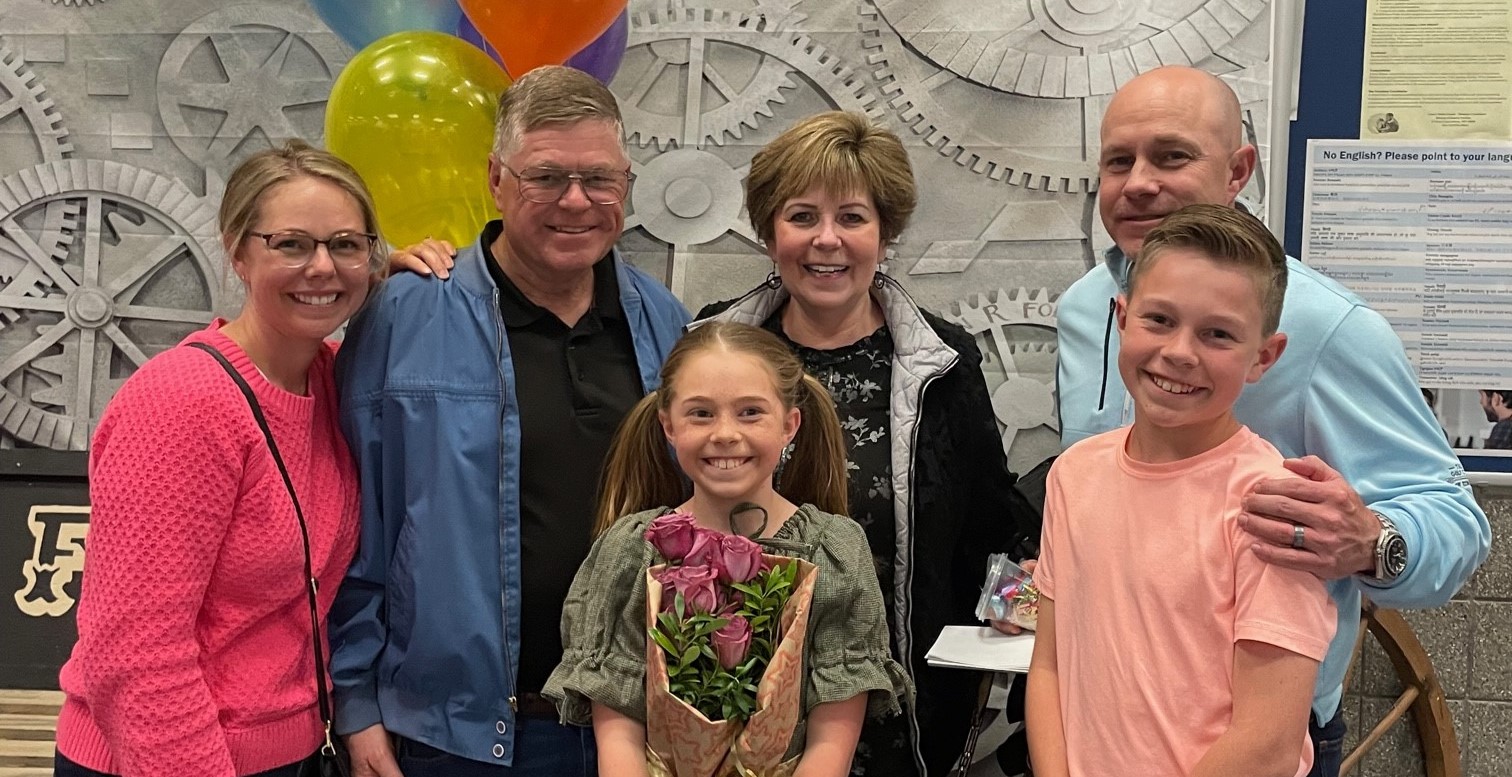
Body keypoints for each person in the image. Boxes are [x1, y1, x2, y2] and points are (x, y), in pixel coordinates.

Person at [1056, 65, 1490, 776]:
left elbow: (1458, 522)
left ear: (1238, 171)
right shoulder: (1083, 309)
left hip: (1252, 735)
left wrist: (1370, 541)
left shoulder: (1331, 327)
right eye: (1117, 161)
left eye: (1171, 156)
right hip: (1102, 721)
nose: (1138, 183)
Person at [329, 65, 690, 776]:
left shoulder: (665, 325)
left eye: (600, 178)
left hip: (628, 728)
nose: (576, 201)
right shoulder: (403, 318)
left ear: (627, 185)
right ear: (496, 179)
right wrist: (356, 704)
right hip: (446, 735)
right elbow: (353, 527)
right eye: (547, 177)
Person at [691, 111, 1041, 776]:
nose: (828, 241)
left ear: (884, 233)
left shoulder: (942, 364)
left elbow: (996, 533)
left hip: (900, 726)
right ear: (770, 233)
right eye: (802, 216)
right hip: (734, 716)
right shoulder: (711, 350)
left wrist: (1009, 672)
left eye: (852, 217)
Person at [53, 140, 381, 776]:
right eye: (291, 244)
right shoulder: (184, 404)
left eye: (345, 244)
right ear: (237, 251)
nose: (323, 267)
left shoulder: (340, 382)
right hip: (165, 757)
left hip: (296, 750)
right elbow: (135, 651)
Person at [1028, 204, 1336, 776]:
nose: (1179, 353)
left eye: (1217, 334)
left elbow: (1267, 743)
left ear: (1263, 357)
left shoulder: (1272, 505)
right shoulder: (1073, 474)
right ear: (1122, 318)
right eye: (1159, 320)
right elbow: (1049, 666)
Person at [544, 321, 911, 774]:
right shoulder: (632, 549)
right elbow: (618, 724)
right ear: (668, 425)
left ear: (789, 425)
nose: (724, 434)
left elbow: (832, 737)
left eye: (750, 412)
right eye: (700, 413)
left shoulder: (832, 550)